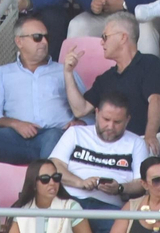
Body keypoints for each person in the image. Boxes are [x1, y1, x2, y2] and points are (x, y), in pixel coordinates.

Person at [0, 15, 81, 164]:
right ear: (19, 42)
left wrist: (81, 122)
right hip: (14, 140)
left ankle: (45, 178)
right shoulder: (2, 73)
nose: (44, 42)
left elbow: (88, 108)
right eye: (37, 37)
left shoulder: (65, 71)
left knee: (53, 135)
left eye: (46, 37)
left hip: (54, 136)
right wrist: (16, 124)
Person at [66, 12, 160, 150]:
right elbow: (80, 110)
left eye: (105, 37)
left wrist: (150, 135)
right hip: (115, 145)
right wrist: (68, 73)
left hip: (148, 142)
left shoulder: (150, 64)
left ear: (123, 37)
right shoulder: (106, 78)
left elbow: (156, 101)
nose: (101, 42)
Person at [49, 92, 149, 233]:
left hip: (109, 208)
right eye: (106, 119)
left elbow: (141, 183)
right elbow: (54, 166)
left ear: (127, 120)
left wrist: (119, 188)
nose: (110, 126)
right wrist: (81, 183)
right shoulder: (75, 133)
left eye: (117, 122)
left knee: (130, 227)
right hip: (70, 201)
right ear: (96, 113)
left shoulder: (136, 143)